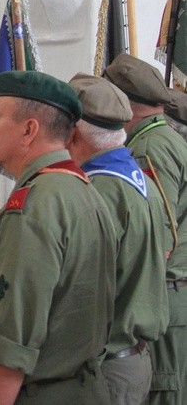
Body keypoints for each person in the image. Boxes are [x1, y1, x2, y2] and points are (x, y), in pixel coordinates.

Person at [0, 70, 116, 404]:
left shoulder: (30, 207)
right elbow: (53, 307)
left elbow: (10, 345)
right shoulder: (81, 189)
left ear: (29, 129)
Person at [67, 73, 169, 405]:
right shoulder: (136, 177)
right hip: (128, 357)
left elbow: (79, 288)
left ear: (73, 132)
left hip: (105, 366)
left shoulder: (100, 190)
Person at [103, 54, 187, 405]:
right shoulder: (164, 138)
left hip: (165, 292)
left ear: (125, 104)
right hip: (171, 290)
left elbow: (158, 233)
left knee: (165, 389)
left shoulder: (149, 148)